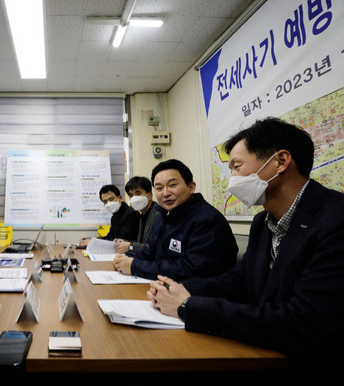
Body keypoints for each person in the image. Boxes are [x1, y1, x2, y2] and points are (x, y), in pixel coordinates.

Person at [147, 118, 344, 368]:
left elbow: (304, 322)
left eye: (237, 167)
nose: (232, 179)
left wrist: (189, 306)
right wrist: (179, 288)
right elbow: (239, 281)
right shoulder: (263, 221)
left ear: (281, 162)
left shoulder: (335, 220)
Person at [114, 159, 237, 280]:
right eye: (159, 188)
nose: (166, 193)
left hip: (198, 296)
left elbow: (189, 270)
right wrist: (125, 257)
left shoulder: (208, 221)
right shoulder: (163, 216)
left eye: (172, 185)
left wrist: (135, 266)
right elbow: (151, 252)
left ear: (191, 187)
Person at [115, 176, 161, 254]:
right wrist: (125, 243)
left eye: (138, 193)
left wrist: (130, 246)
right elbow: (142, 243)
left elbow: (156, 247)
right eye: (131, 195)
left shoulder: (158, 215)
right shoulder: (142, 214)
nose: (134, 198)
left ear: (149, 195)